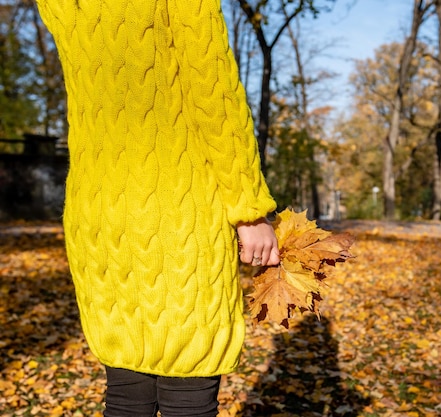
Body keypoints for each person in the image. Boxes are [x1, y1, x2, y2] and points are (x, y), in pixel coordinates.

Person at [35, 1, 280, 415]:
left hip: (100, 210)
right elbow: (213, 92)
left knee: (127, 391)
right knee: (189, 381)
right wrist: (249, 207)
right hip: (179, 207)